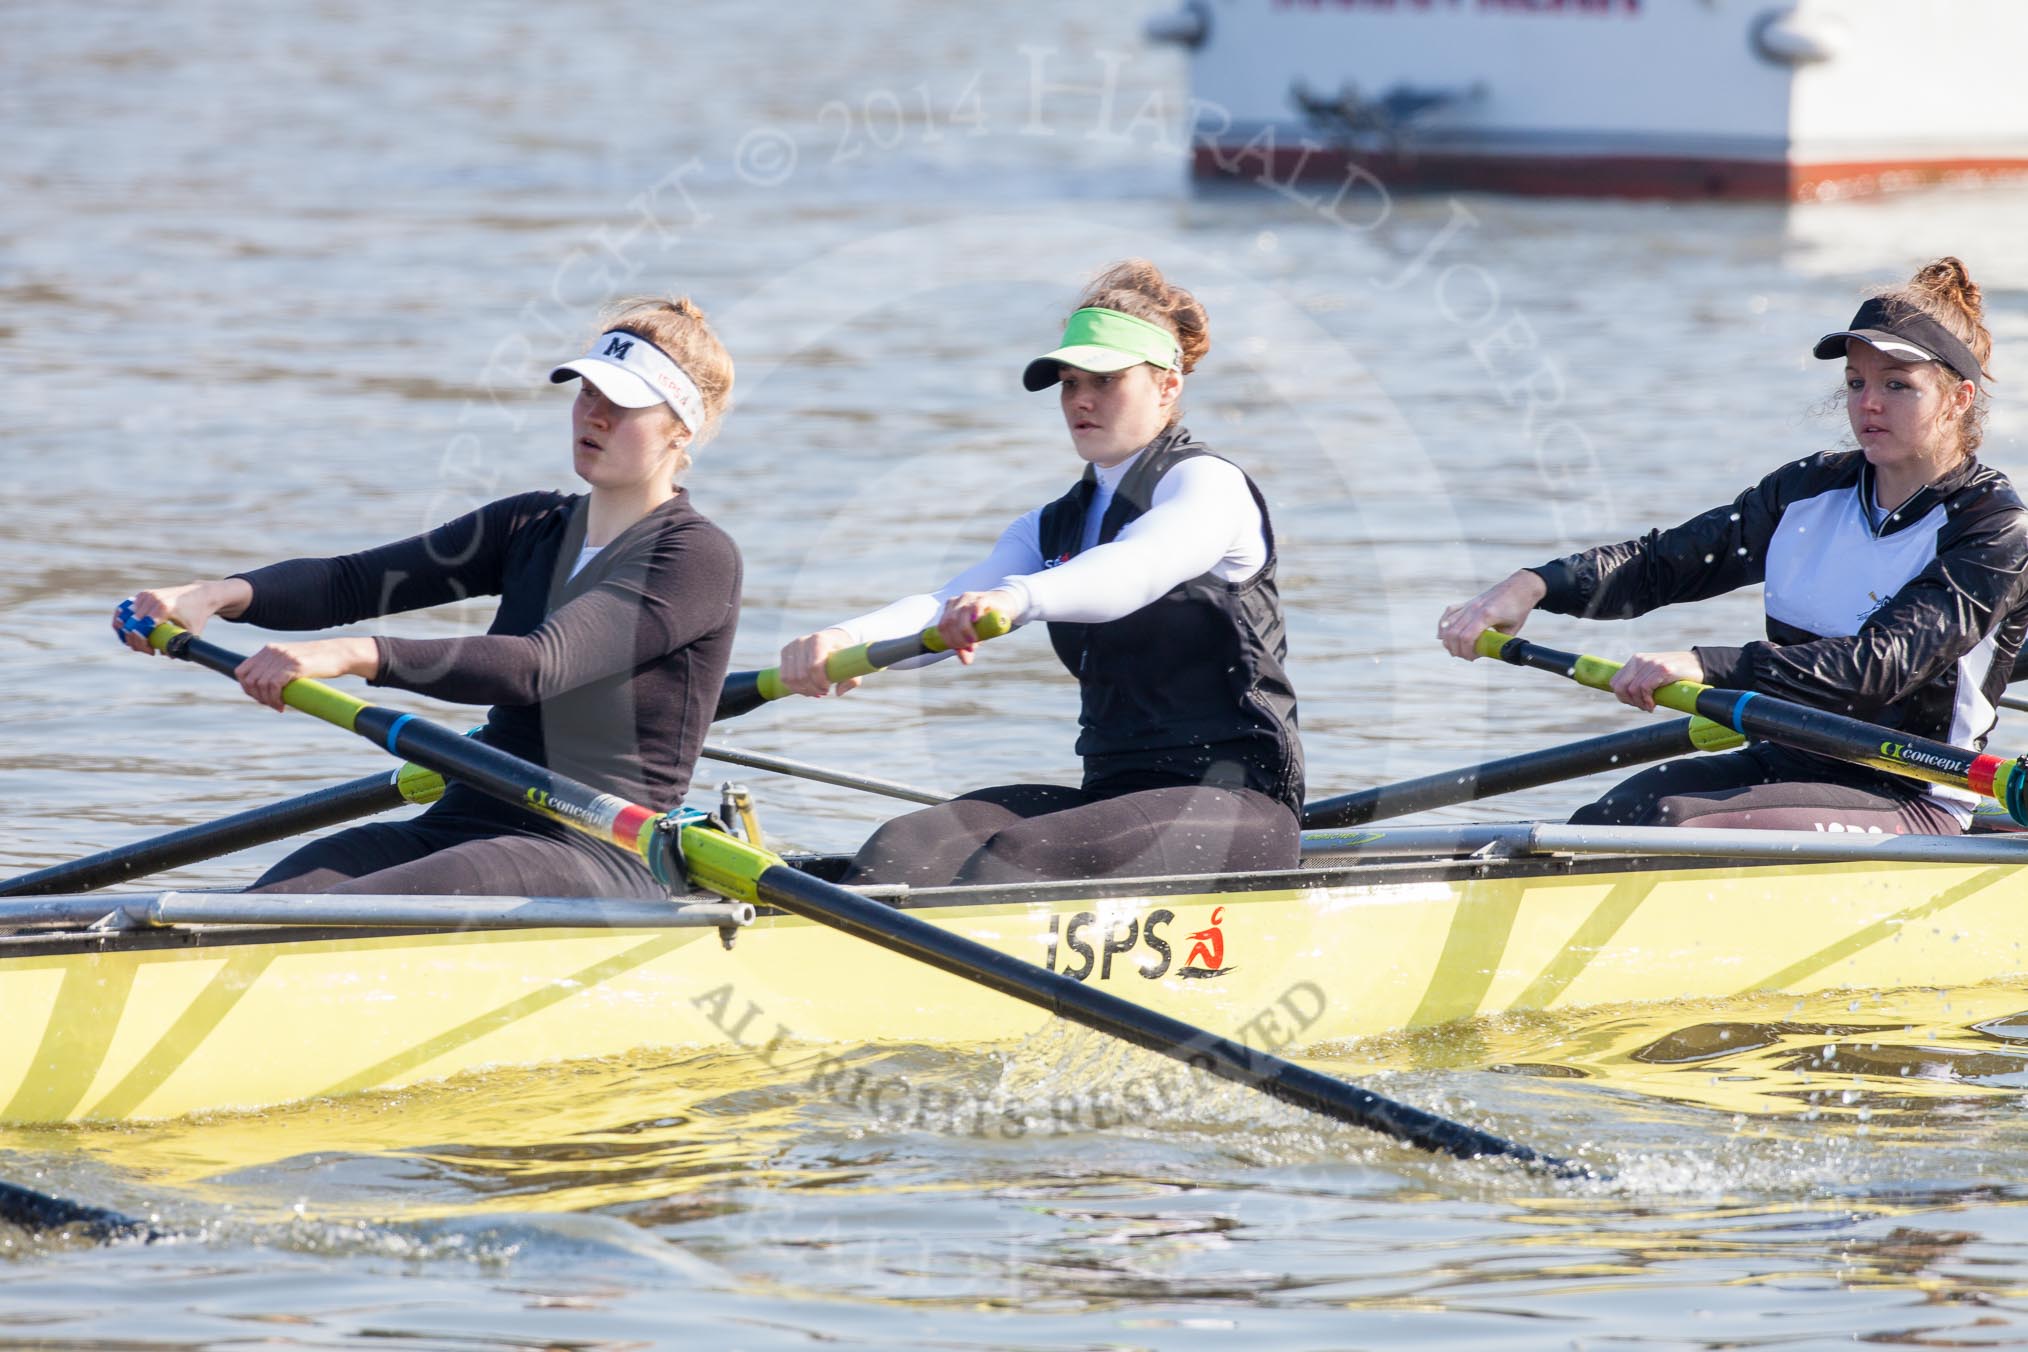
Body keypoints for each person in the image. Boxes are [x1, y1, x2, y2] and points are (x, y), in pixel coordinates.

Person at [116, 298, 743, 895]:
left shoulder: (693, 558)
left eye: (623, 405)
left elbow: (537, 666)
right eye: (586, 392)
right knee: (278, 894)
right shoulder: (530, 525)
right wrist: (213, 595)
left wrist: (353, 656)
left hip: (596, 847)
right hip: (463, 818)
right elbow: (351, 582)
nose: (594, 415)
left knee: (327, 919)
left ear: (680, 431)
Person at [1437, 257, 2028, 834]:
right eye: (1856, 382)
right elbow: (1665, 563)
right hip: (1785, 758)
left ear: (1958, 400)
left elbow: (1878, 667)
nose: (1867, 403)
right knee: (1615, 814)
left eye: (1897, 385)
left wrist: (1706, 665)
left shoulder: (1992, 529)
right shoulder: (1808, 490)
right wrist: (1533, 585)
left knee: (1670, 821)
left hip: (1908, 791)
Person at [777, 260, 1304, 887]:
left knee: (1023, 858)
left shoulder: (1208, 485)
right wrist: (841, 640)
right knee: (906, 847)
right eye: (1069, 381)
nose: (1080, 398)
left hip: (1237, 803)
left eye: (1106, 380)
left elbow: (1132, 570)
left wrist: (1017, 598)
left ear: (1166, 386)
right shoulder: (1048, 526)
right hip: (1115, 795)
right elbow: (941, 604)